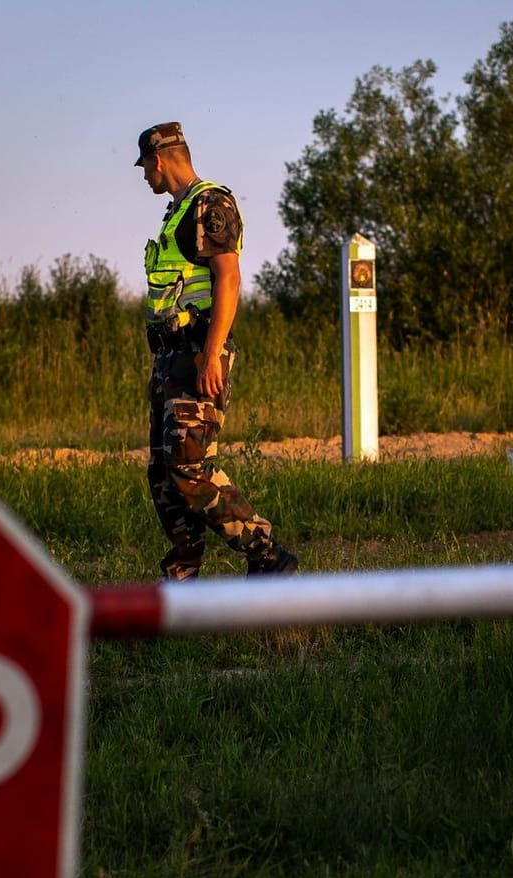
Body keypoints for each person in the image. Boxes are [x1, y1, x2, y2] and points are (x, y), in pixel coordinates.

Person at [134, 121, 297, 580]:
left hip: (198, 353)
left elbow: (229, 277)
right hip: (170, 357)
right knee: (164, 474)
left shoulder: (210, 203)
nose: (145, 176)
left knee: (190, 468)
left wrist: (212, 353)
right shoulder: (176, 211)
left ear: (159, 160)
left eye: (145, 166)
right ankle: (182, 575)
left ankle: (267, 555)